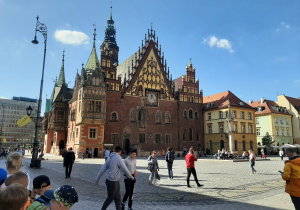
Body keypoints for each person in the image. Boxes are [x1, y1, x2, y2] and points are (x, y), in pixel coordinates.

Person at [95, 146, 134, 210]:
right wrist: (130, 177)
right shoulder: (118, 157)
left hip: (112, 181)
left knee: (118, 198)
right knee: (110, 198)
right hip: (113, 181)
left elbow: (103, 168)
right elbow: (124, 168)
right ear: (120, 152)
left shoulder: (109, 157)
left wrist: (98, 178)